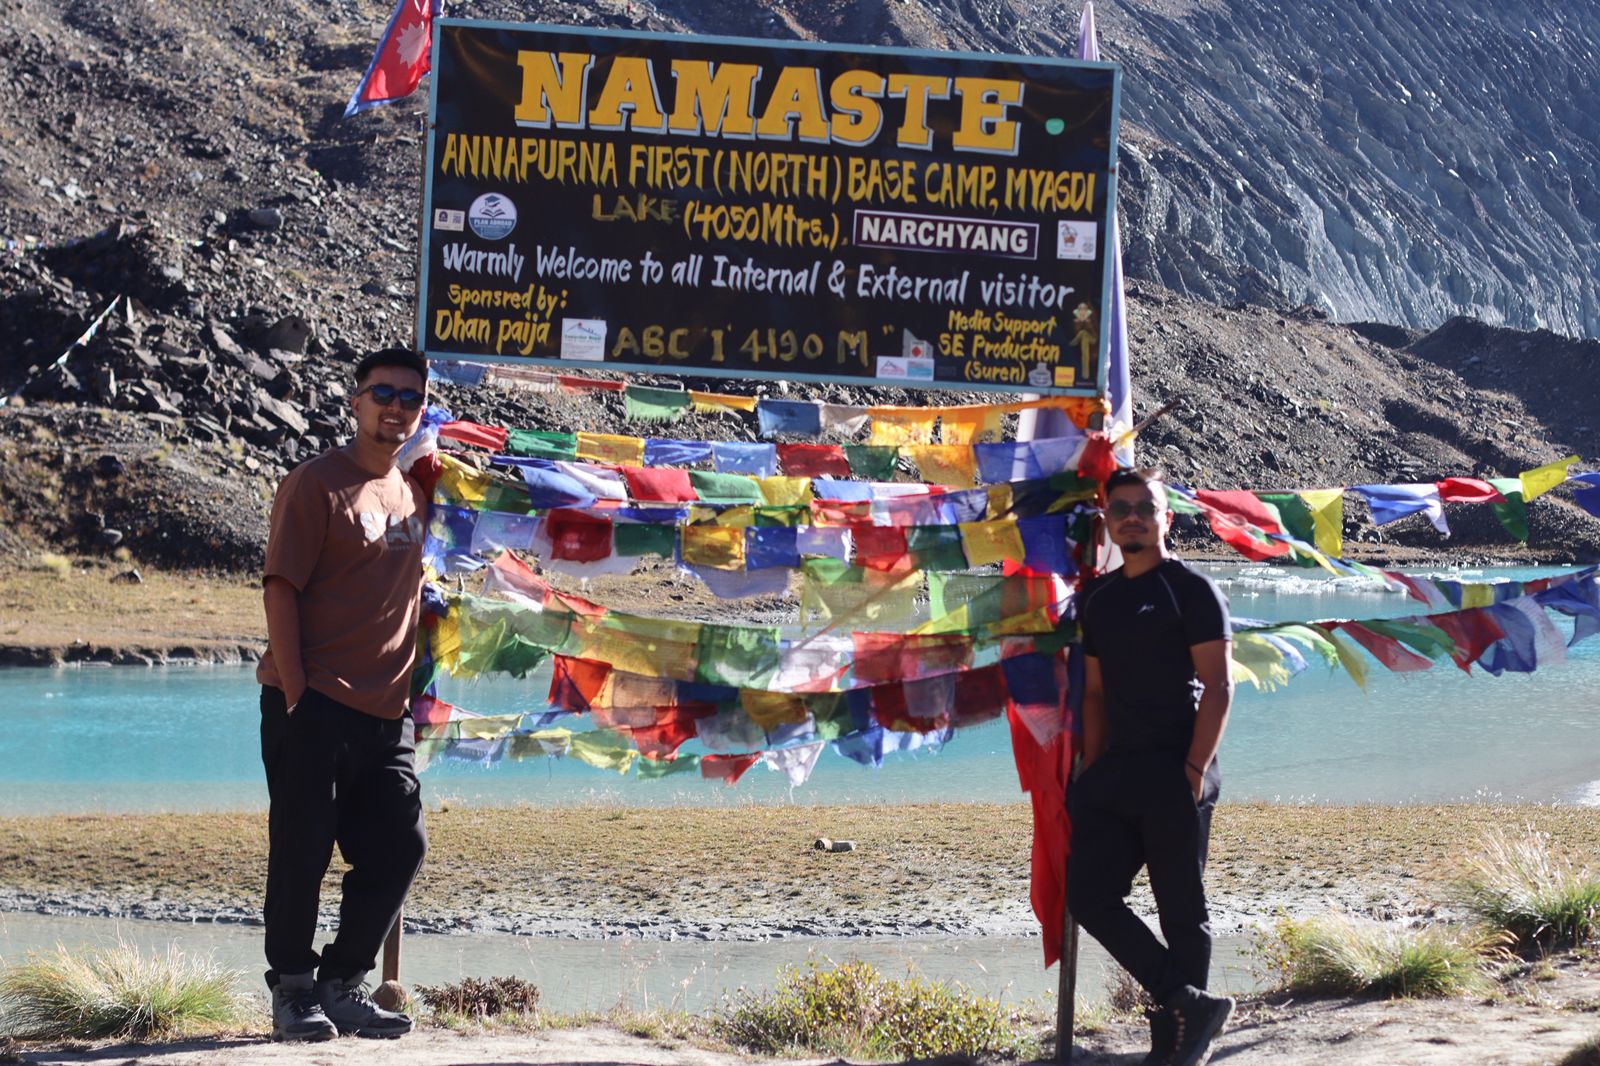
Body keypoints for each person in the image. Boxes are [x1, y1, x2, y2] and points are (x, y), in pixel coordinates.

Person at [256, 347, 431, 1042]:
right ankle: (293, 990)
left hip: (388, 717)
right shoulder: (315, 484)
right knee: (302, 849)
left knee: (400, 846)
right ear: (356, 401)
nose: (395, 406)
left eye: (409, 397)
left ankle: (343, 981)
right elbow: (280, 588)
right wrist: (299, 697)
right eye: (382, 392)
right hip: (315, 705)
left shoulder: (417, 491)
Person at [1069, 468, 1236, 1066]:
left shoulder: (1189, 589)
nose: (1133, 516)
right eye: (1122, 509)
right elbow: (1093, 693)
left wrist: (1193, 770)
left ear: (1167, 517)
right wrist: (1090, 768)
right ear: (1108, 520)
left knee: (1181, 911)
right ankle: (1187, 1001)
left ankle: (1173, 1045)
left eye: (1146, 507)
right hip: (1117, 774)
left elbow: (1219, 686)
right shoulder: (1100, 597)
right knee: (1087, 896)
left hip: (1177, 769)